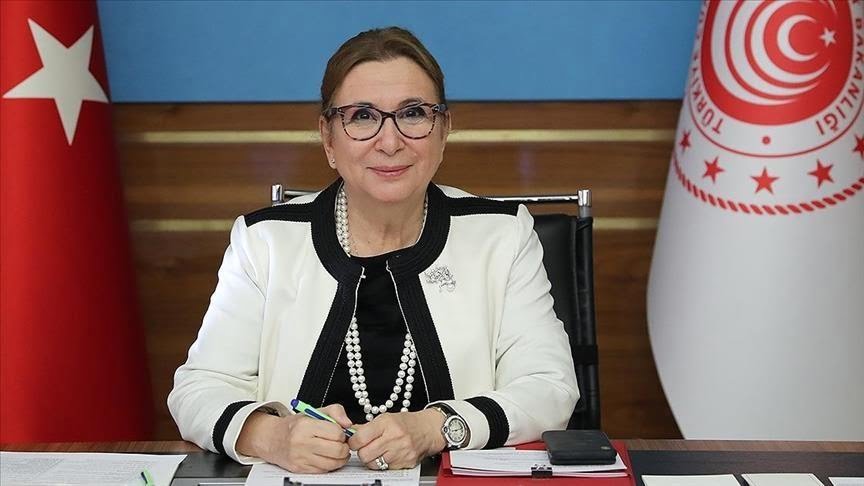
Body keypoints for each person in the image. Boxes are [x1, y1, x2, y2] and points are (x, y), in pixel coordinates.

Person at [168, 26, 579, 474]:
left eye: (413, 113)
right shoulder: (264, 241)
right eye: (363, 116)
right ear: (328, 138)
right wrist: (271, 435)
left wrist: (437, 428)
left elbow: (549, 387)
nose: (390, 141)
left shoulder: (503, 235)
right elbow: (198, 388)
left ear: (443, 131)